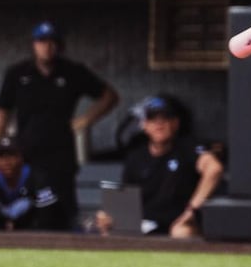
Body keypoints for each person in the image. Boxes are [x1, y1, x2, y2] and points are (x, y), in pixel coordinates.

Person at [0, 22, 119, 227]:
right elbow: (2, 113)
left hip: (61, 157)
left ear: (60, 45)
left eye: (52, 42)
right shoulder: (17, 73)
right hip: (25, 156)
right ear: (33, 45)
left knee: (64, 214)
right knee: (26, 213)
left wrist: (85, 119)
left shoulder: (73, 72)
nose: (47, 47)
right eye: (42, 42)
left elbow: (109, 96)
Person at [96, 97, 224, 237]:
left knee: (181, 232)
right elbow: (126, 199)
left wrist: (192, 210)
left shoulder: (188, 147)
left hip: (179, 221)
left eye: (165, 118)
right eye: (152, 119)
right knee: (110, 230)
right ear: (144, 125)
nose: (159, 123)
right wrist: (109, 217)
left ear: (175, 123)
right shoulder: (136, 157)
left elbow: (214, 169)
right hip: (145, 222)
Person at [0, 136, 66, 230]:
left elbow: (48, 221)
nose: (6, 161)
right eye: (1, 156)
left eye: (11, 155)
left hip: (38, 234)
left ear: (20, 157)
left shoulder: (38, 179)